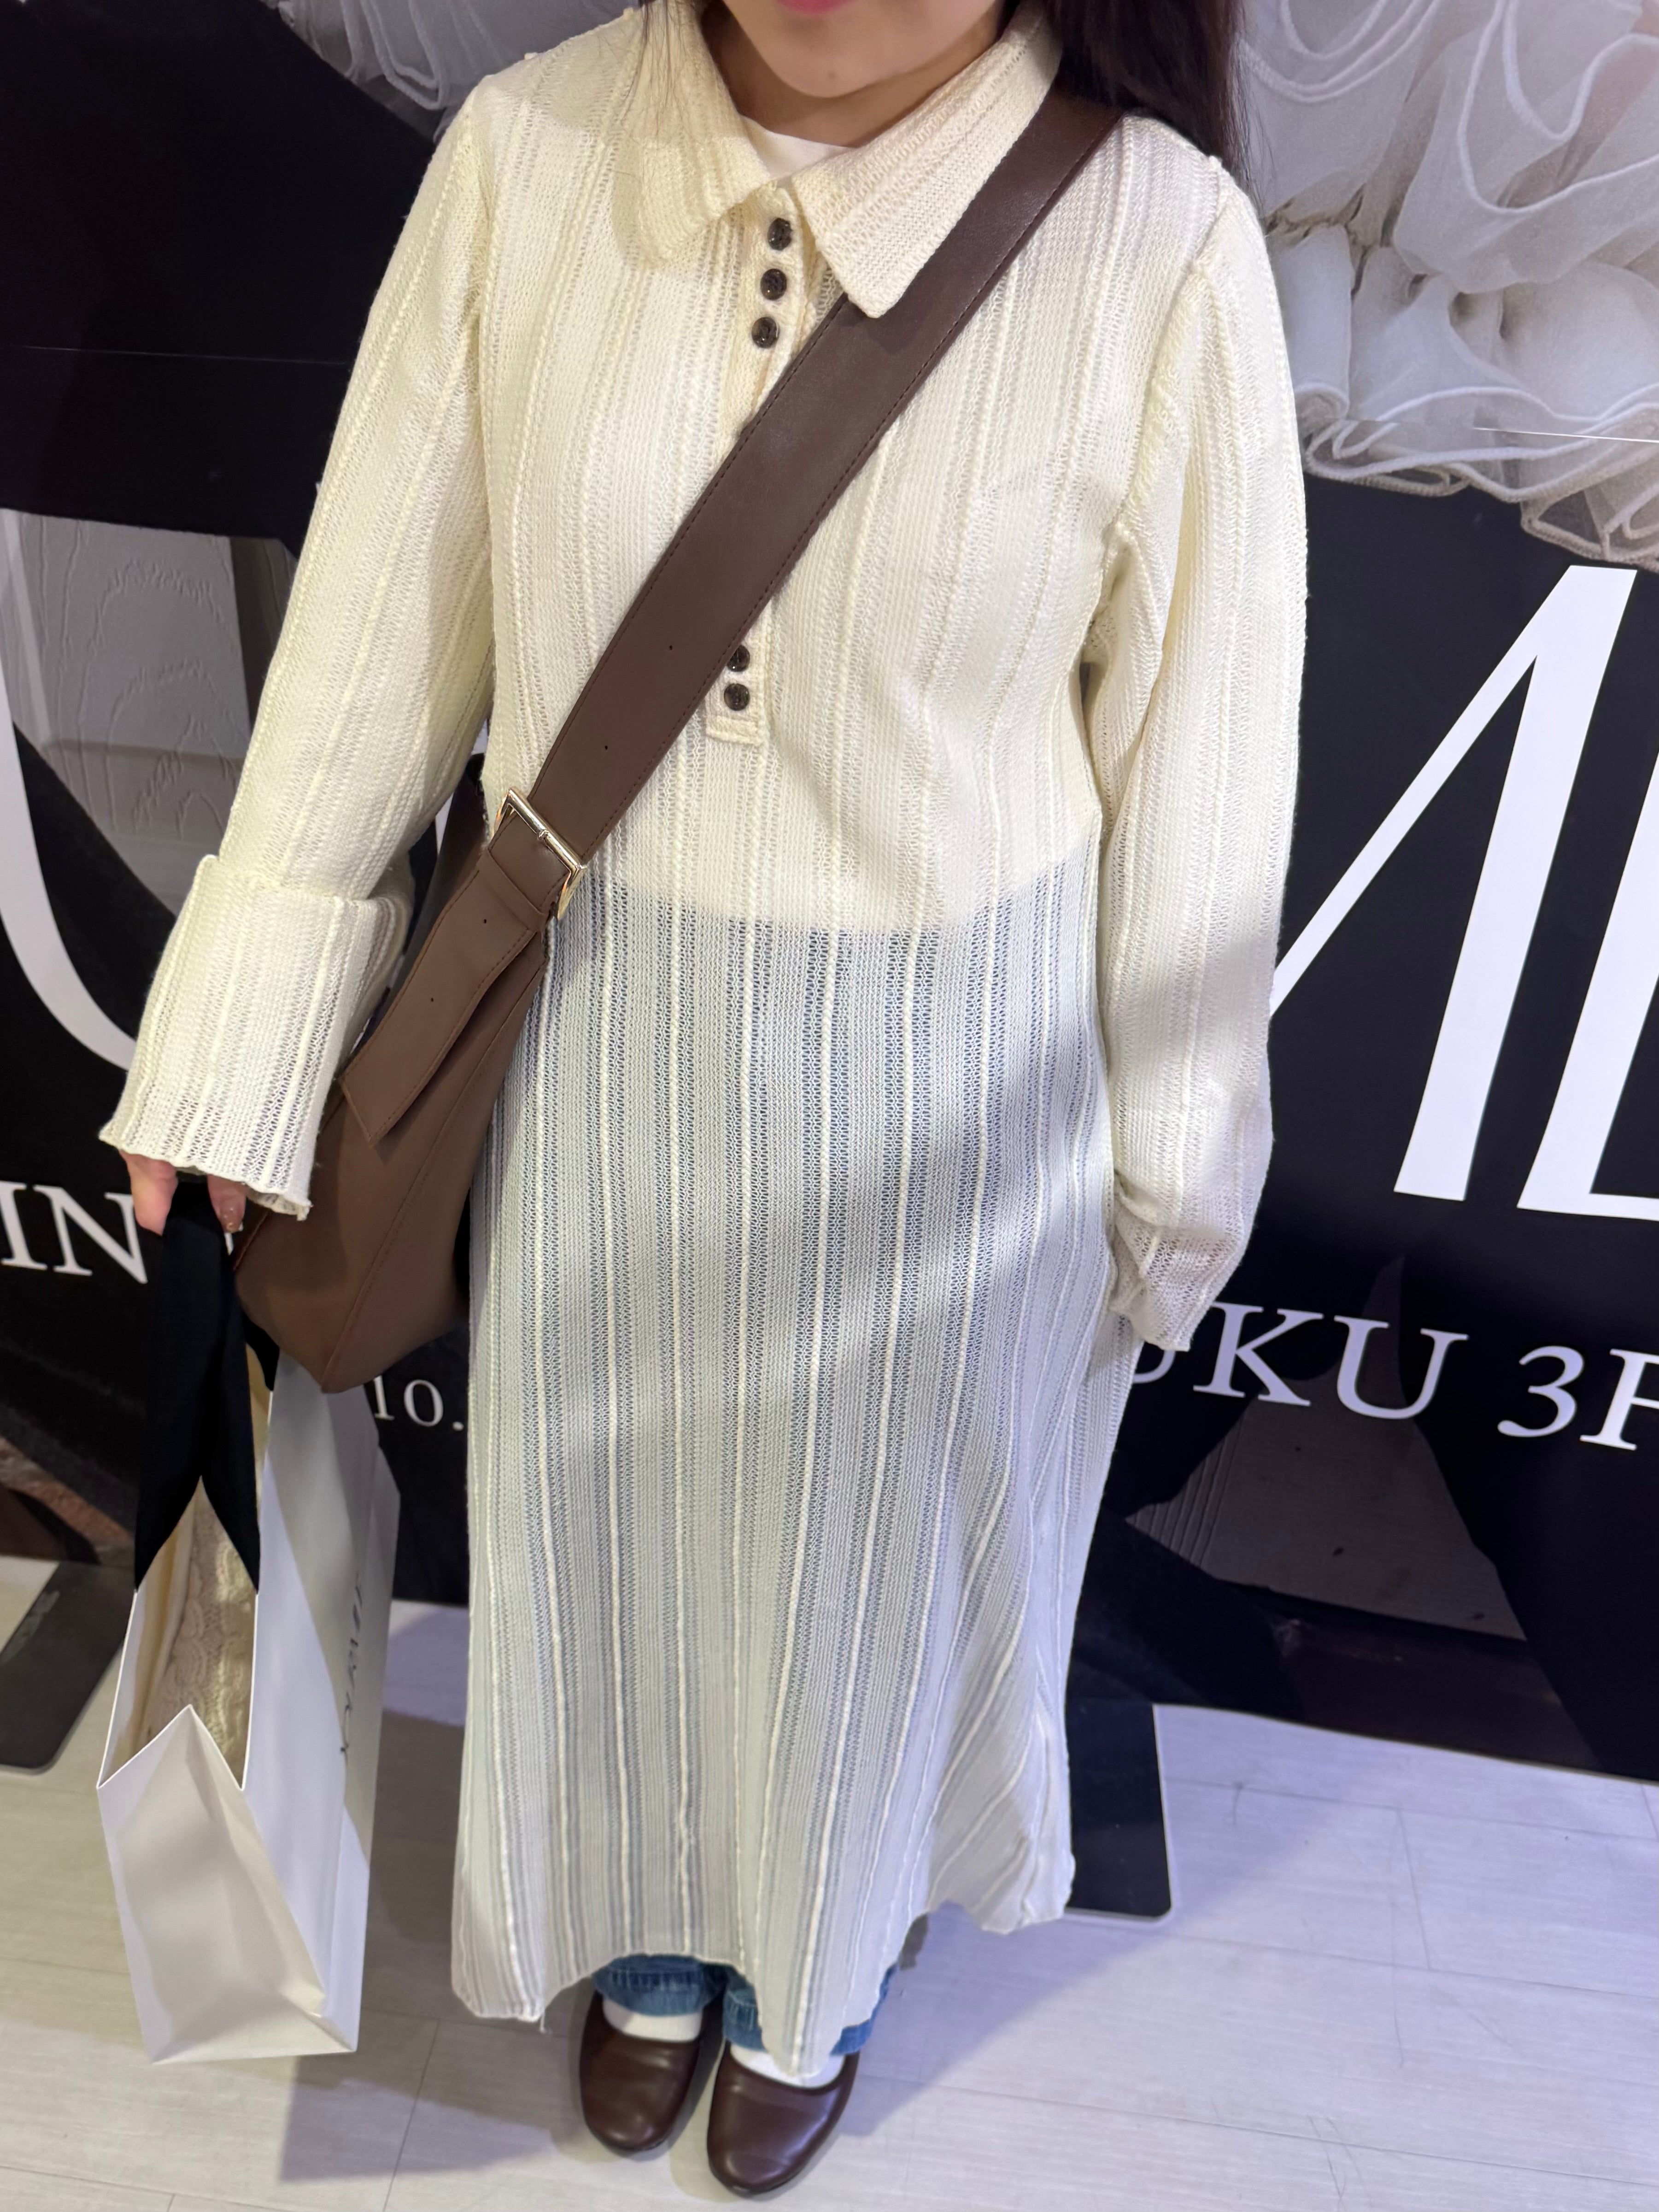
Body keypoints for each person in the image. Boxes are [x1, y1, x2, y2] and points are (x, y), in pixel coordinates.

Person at [109, 0, 1304, 2191]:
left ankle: (816, 1976)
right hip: (599, 1039)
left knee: (868, 1595)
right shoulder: (527, 157)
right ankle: (648, 1952)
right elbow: (374, 645)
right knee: (612, 1553)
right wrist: (234, 1049)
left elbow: (1203, 775)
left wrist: (1170, 1172)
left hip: (960, 1096)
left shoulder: (1160, 244)